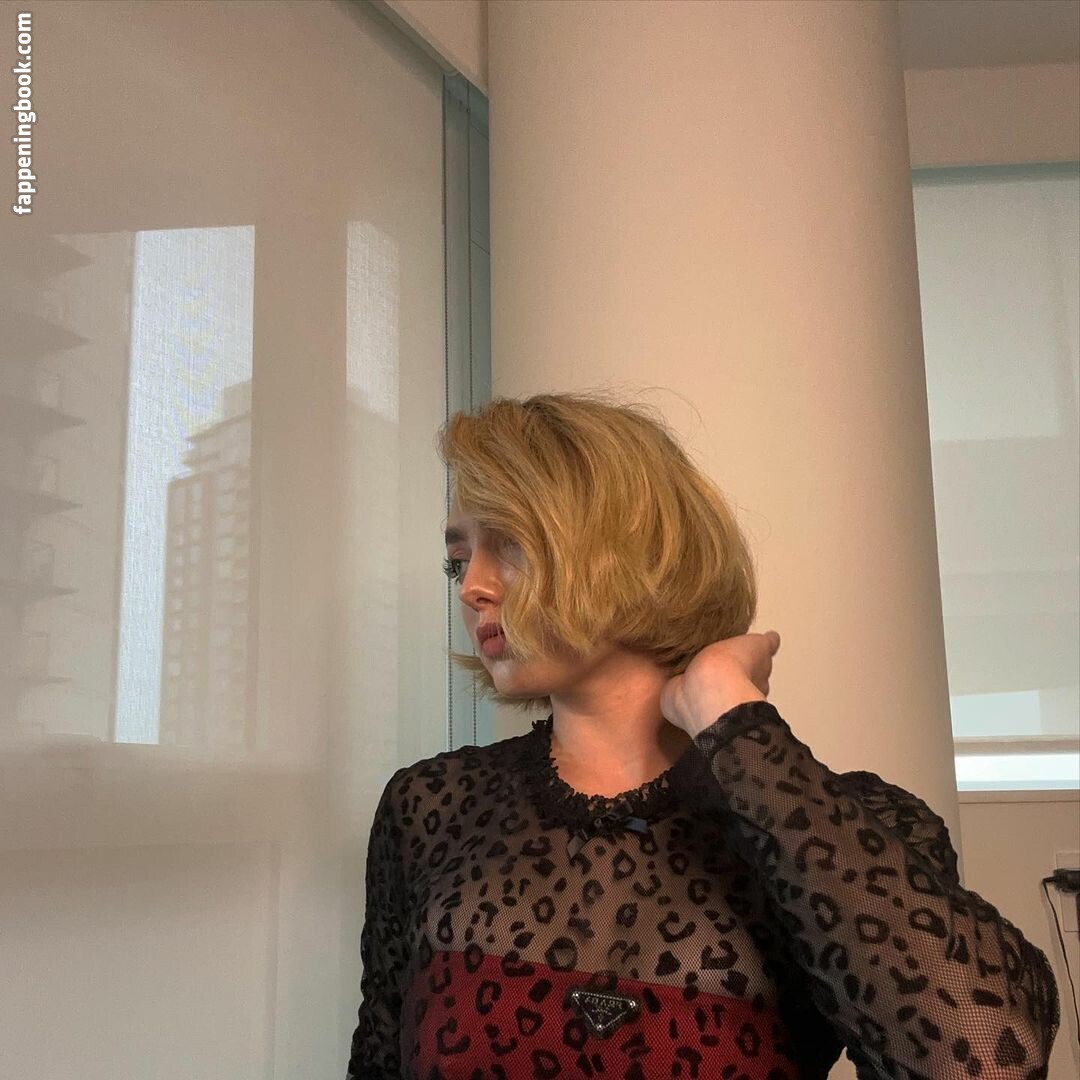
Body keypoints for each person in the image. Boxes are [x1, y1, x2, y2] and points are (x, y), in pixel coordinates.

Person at [346, 391, 1060, 1079]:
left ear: (628, 550)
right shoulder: (433, 808)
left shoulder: (839, 832)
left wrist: (732, 717)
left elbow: (985, 1059)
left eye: (509, 543)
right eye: (458, 558)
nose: (470, 586)